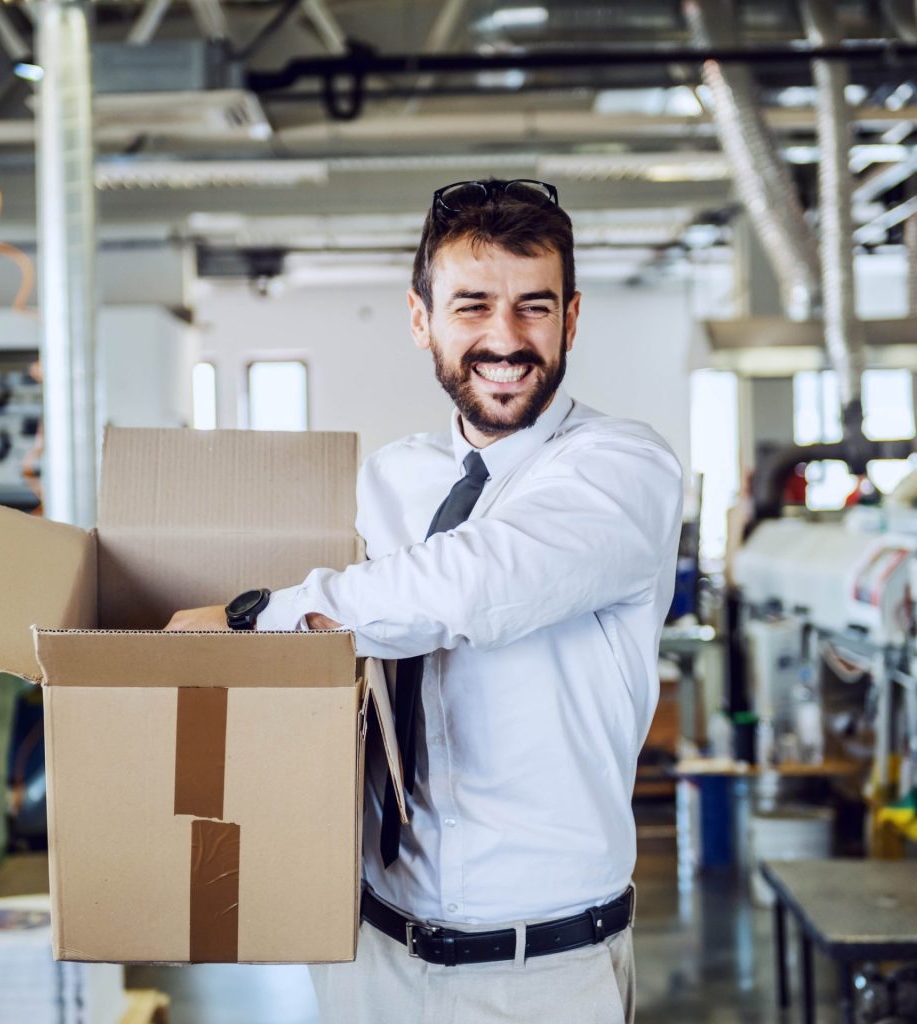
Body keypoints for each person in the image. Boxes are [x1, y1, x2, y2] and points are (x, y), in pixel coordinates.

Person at [165, 178, 683, 1024]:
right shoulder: (392, 478)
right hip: (373, 953)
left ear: (572, 318)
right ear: (422, 319)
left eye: (534, 307)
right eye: (472, 305)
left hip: (540, 970)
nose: (505, 339)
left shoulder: (622, 469)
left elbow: (473, 583)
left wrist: (249, 618)